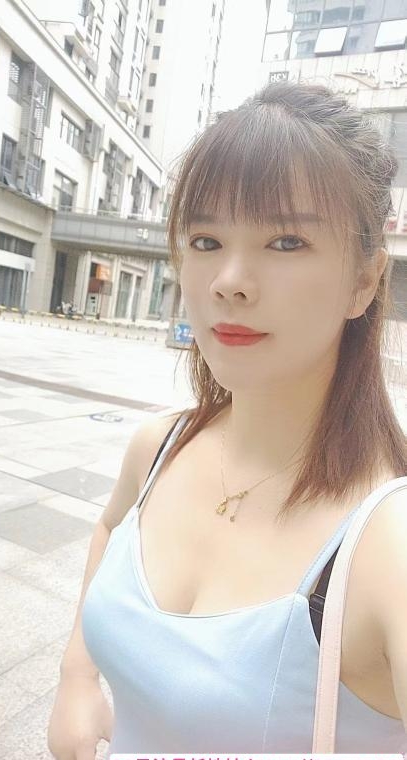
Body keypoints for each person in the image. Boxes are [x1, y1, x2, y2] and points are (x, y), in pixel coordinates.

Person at [47, 81, 407, 758]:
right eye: (206, 239)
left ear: (364, 281)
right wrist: (77, 677)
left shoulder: (386, 542)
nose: (229, 280)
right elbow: (109, 527)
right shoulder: (160, 447)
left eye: (286, 241)